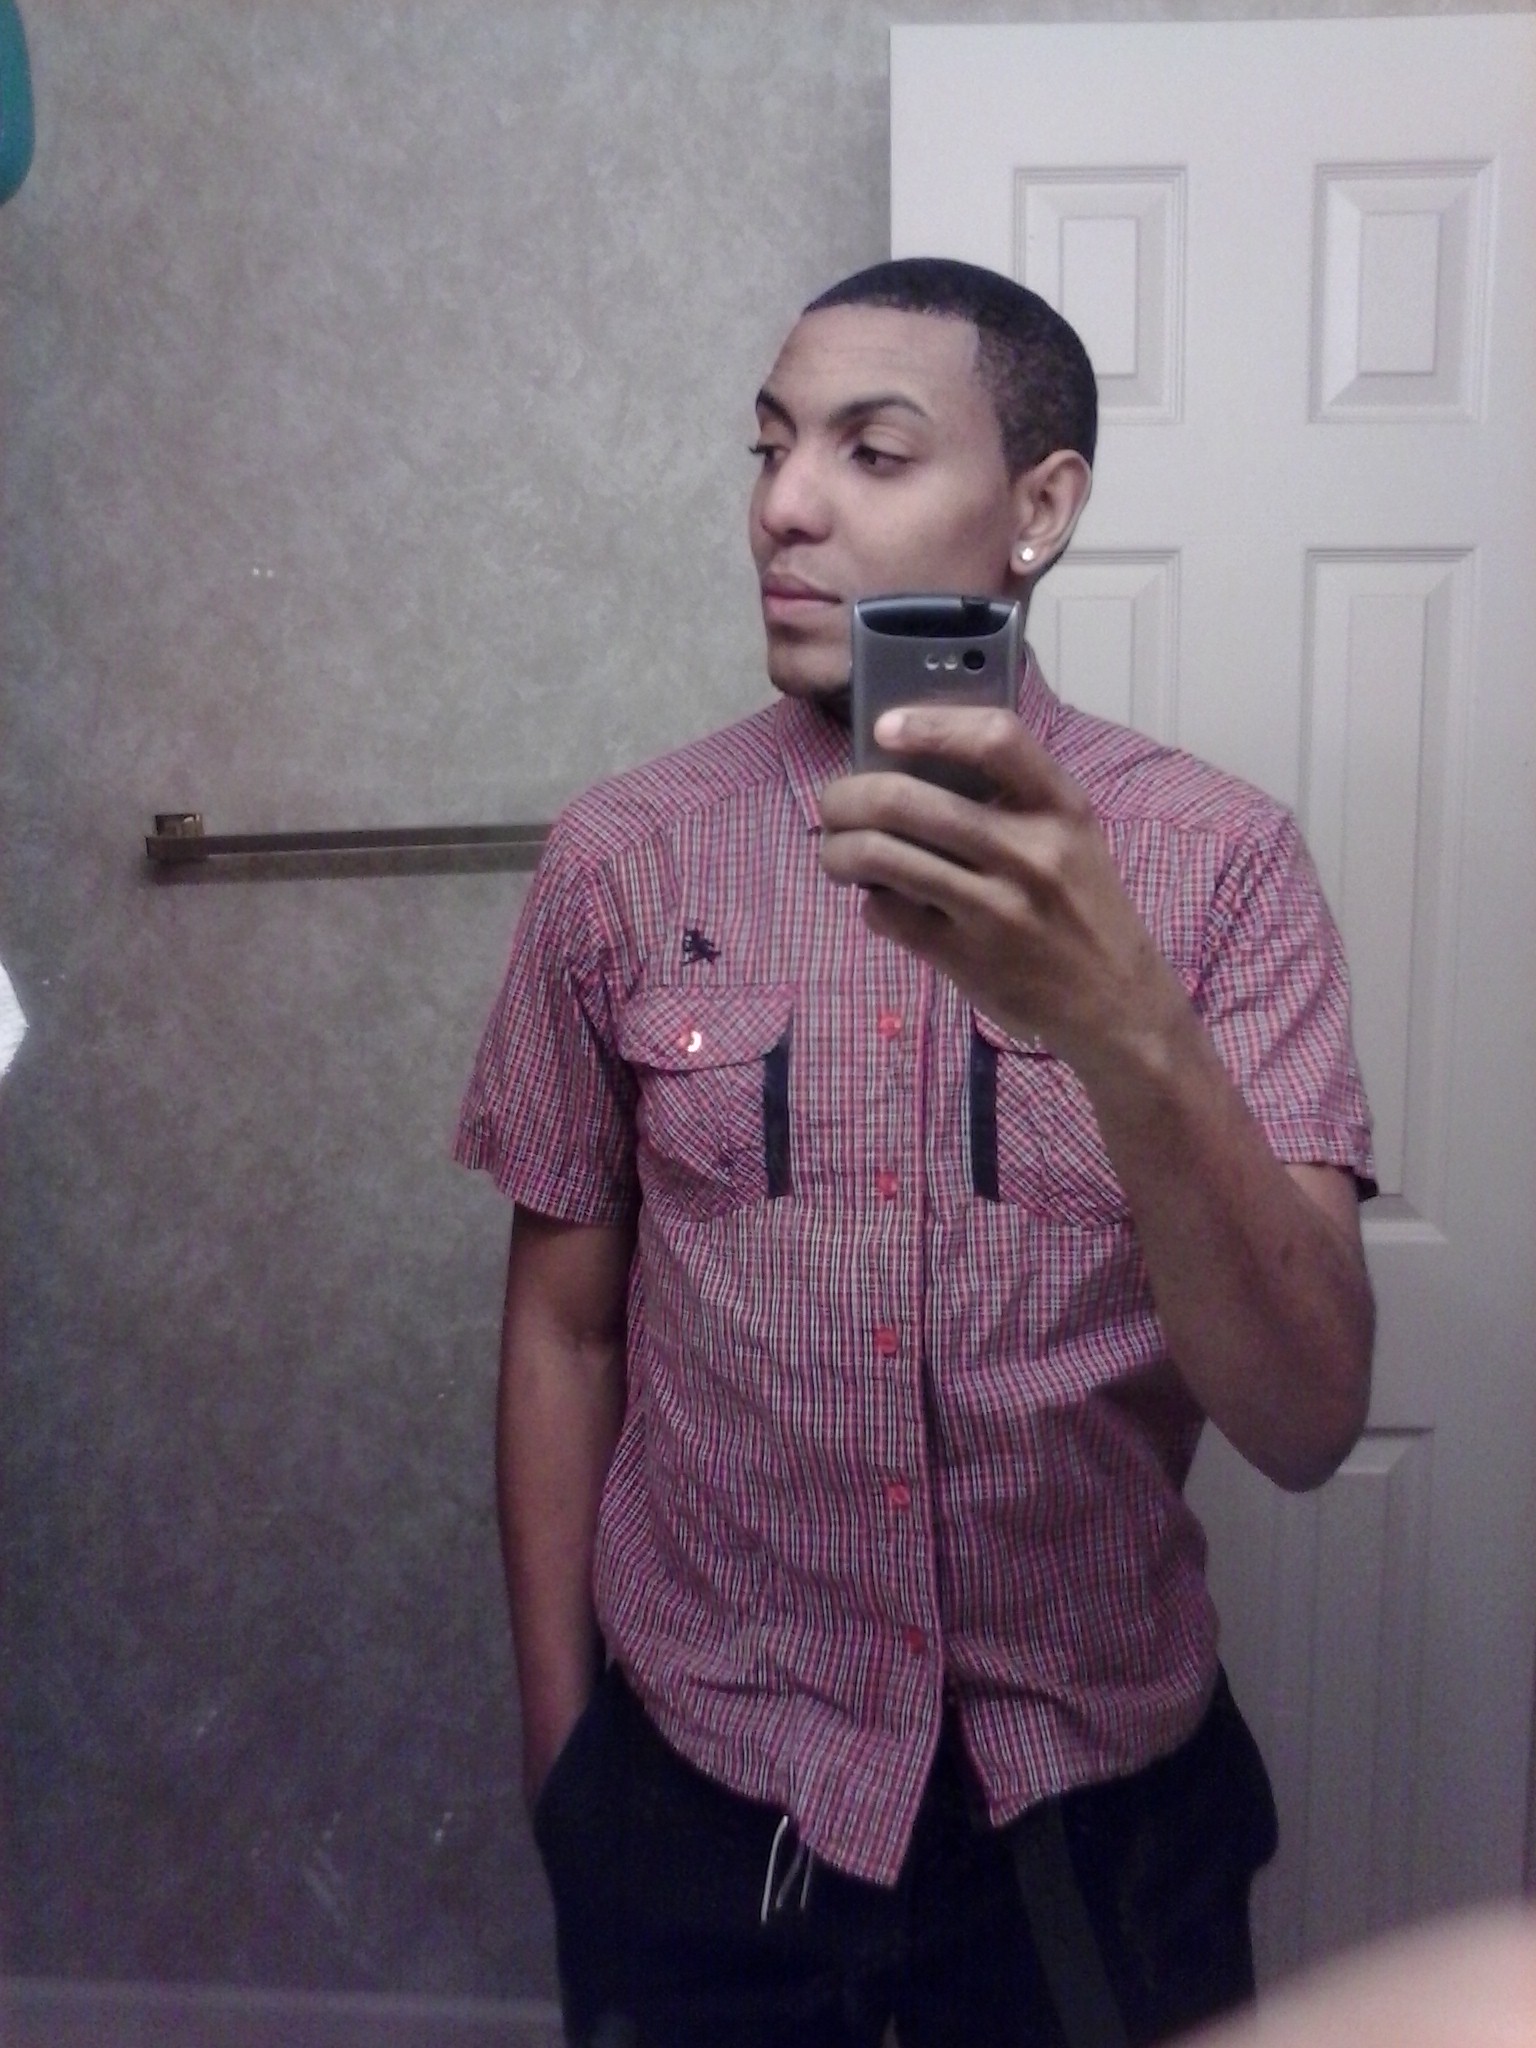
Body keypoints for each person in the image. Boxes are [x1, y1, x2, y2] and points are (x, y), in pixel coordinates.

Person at [455, 258, 1376, 2048]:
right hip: (706, 1788)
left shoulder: (1220, 870)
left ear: (1041, 509)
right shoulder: (622, 860)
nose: (783, 508)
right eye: (771, 448)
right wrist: (565, 1759)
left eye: (871, 453)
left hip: (1097, 1810)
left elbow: (1308, 1416)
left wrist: (1122, 1020)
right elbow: (566, 1331)